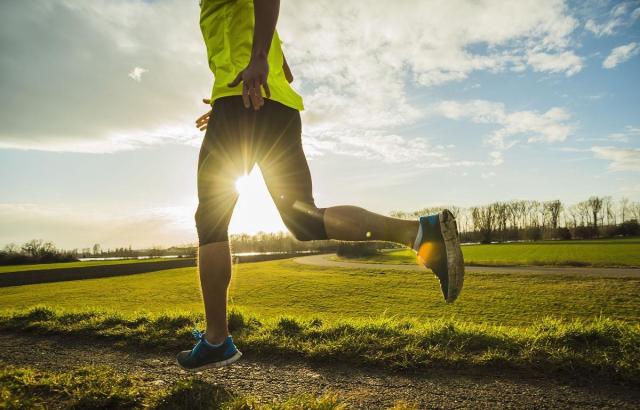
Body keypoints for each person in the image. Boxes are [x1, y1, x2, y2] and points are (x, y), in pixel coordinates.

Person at [177, 0, 465, 371]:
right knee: (305, 219)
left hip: (242, 101)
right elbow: (286, 72)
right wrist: (255, 68)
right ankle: (420, 233)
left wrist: (253, 66)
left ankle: (216, 340)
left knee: (211, 219)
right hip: (273, 105)